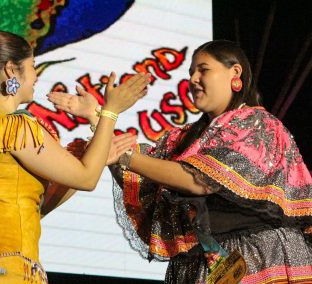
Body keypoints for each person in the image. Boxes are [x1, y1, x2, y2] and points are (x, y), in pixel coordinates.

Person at [48, 40, 312, 283]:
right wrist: (97, 116)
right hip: (200, 265)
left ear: (235, 73)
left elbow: (198, 180)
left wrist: (126, 156)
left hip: (257, 258)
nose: (193, 79)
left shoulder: (257, 125)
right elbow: (143, 173)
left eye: (203, 70)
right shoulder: (184, 137)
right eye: (190, 74)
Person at [0, 30, 149, 283]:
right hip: (5, 271)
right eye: (32, 66)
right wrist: (109, 111)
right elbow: (87, 178)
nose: (36, 75)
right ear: (10, 70)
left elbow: (37, 206)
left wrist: (96, 152)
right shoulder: (13, 127)